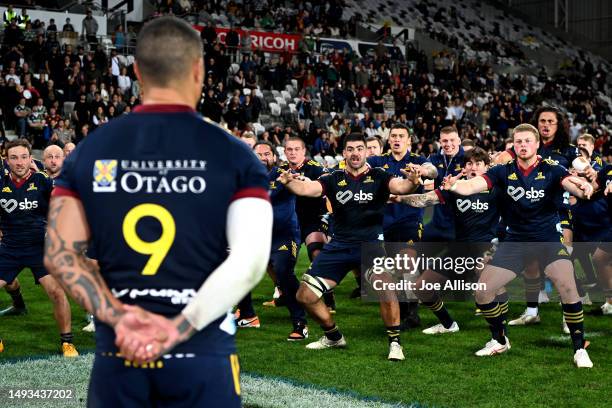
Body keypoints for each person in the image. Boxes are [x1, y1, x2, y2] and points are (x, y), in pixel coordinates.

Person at [44, 17, 272, 406]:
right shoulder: (234, 154)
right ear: (199, 69)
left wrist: (119, 318)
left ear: (136, 72)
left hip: (121, 352)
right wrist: (178, 327)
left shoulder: (91, 150)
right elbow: (249, 263)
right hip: (201, 355)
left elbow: (61, 254)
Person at [442, 124, 594, 368]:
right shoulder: (502, 171)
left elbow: (571, 184)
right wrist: (454, 186)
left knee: (567, 285)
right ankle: (499, 340)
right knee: (482, 292)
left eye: (527, 141)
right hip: (515, 241)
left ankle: (579, 349)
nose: (523, 145)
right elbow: (472, 186)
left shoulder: (551, 169)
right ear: (514, 146)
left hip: (547, 240)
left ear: (536, 145)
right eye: (518, 141)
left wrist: (584, 186)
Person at [277, 133, 421, 361]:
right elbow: (310, 189)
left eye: (359, 149)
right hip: (340, 245)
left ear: (366, 152)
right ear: (344, 153)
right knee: (304, 295)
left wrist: (413, 180)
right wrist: (290, 182)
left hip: (371, 245)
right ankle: (333, 336)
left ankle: (395, 343)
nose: (355, 153)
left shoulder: (379, 175)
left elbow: (401, 187)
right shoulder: (332, 178)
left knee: (386, 289)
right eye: (350, 149)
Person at [393, 147, 502, 334]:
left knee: (488, 286)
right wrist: (397, 198)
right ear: (464, 168)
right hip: (459, 248)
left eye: (478, 163)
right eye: (469, 163)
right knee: (421, 288)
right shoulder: (454, 188)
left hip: (486, 247)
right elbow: (424, 200)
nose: (473, 167)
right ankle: (448, 324)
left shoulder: (497, 189)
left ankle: (500, 332)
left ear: (486, 167)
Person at [0, 139, 78, 357]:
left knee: (56, 291)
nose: (19, 162)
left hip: (39, 248)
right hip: (9, 247)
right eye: (14, 157)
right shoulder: (0, 182)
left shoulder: (42, 180)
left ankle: (67, 342)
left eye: (24, 157)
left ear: (30, 158)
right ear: (7, 160)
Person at [236, 141, 308, 340]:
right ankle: (248, 315)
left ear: (274, 157)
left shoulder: (283, 175)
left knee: (283, 273)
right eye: (258, 154)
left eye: (267, 154)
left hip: (283, 235)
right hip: (256, 236)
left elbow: (300, 182)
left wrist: (292, 181)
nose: (262, 158)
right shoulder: (245, 179)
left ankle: (300, 323)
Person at [368, 124, 438, 329]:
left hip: (410, 221)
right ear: (388, 140)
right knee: (393, 269)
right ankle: (403, 306)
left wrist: (423, 170)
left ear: (409, 140)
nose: (397, 139)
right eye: (393, 136)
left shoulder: (416, 160)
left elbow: (433, 171)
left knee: (408, 262)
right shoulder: (378, 161)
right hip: (383, 223)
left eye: (401, 136)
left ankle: (412, 312)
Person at [423, 126, 464, 242]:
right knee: (417, 252)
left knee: (454, 258)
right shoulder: (434, 158)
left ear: (459, 141)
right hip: (437, 221)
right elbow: (424, 174)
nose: (448, 144)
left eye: (452, 140)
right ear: (440, 142)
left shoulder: (467, 159)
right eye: (445, 141)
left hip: (459, 225)